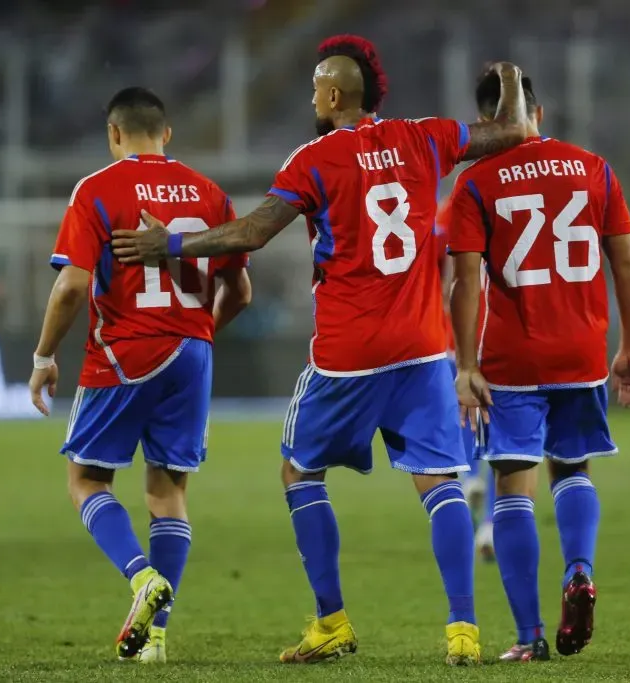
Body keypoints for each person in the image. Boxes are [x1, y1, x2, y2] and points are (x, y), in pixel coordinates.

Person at [110, 35, 528, 665]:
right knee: (439, 481)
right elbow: (515, 130)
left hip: (348, 352)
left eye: (314, 87)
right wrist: (512, 76)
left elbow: (252, 231)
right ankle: (463, 632)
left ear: (333, 96)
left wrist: (168, 245)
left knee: (298, 470)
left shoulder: (314, 158)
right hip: (422, 346)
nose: (311, 96)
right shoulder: (427, 137)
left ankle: (332, 621)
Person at [28, 87, 252, 663]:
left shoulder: (99, 189)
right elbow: (240, 291)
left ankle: (139, 577)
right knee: (168, 490)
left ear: (114, 133)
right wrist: (197, 335)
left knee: (87, 480)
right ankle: (155, 639)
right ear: (167, 133)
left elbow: (73, 285)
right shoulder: (209, 193)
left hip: (124, 353)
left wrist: (44, 356)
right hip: (191, 352)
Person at [447, 71, 630, 662]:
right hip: (581, 351)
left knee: (512, 486)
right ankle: (579, 570)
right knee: (573, 468)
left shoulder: (475, 182)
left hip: (513, 358)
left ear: (485, 124)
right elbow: (627, 267)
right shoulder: (594, 168)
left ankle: (530, 636)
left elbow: (464, 283)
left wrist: (465, 364)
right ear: (541, 111)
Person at [436, 200, 496, 558]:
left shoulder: (451, 209)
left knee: (462, 416)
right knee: (503, 440)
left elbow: (449, 281)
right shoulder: (508, 194)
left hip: (455, 336)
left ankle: (471, 477)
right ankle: (488, 526)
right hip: (500, 328)